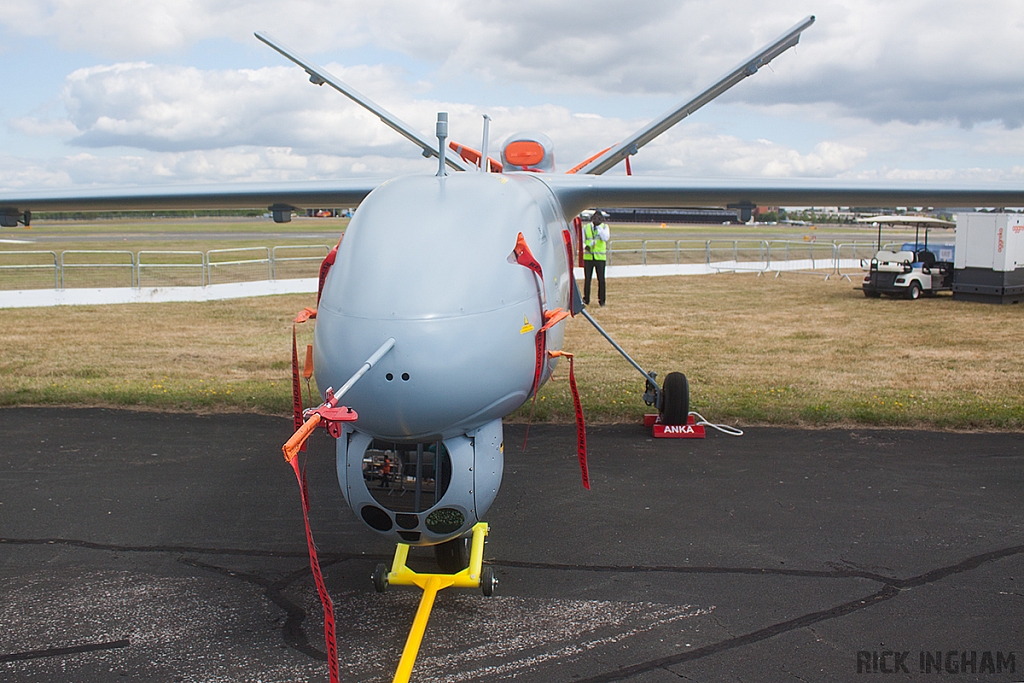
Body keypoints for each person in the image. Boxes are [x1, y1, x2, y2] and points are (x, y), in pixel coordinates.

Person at [582, 209, 610, 306]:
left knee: (601, 280)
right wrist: (586, 246)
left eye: (599, 218)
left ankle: (602, 300)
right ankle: (586, 299)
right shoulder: (586, 228)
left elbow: (605, 238)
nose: (597, 219)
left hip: (600, 258)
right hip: (588, 257)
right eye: (595, 218)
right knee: (587, 279)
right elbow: (581, 240)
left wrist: (599, 228)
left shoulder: (604, 227)